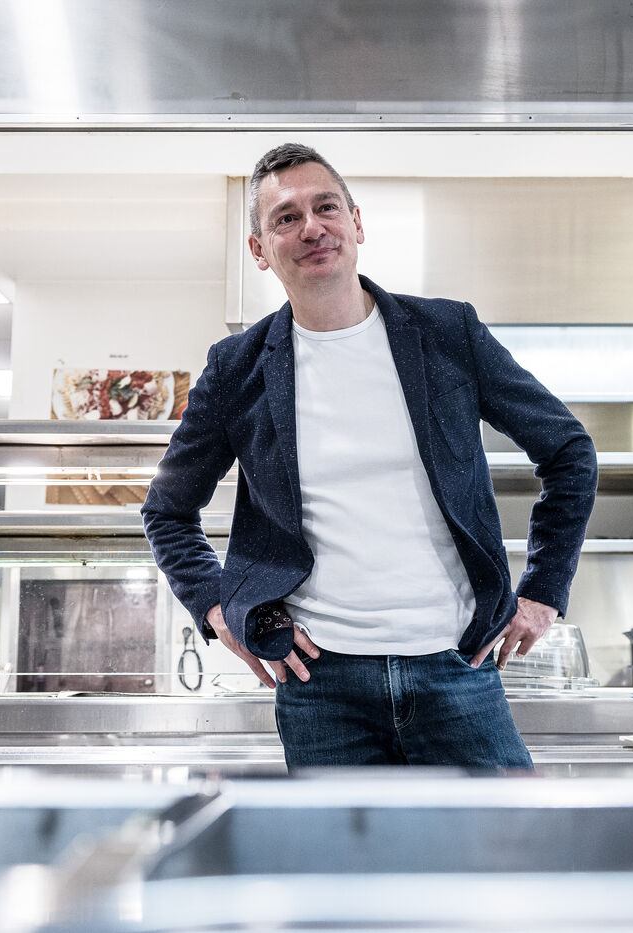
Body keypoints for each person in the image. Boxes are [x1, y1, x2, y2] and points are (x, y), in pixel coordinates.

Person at [142, 143, 597, 769]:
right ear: (259, 249)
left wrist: (544, 589)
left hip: (457, 668)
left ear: (356, 223)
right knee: (342, 842)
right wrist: (218, 609)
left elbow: (569, 451)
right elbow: (167, 511)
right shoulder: (236, 368)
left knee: (505, 835)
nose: (312, 228)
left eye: (326, 207)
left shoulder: (448, 333)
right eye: (285, 218)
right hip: (321, 687)